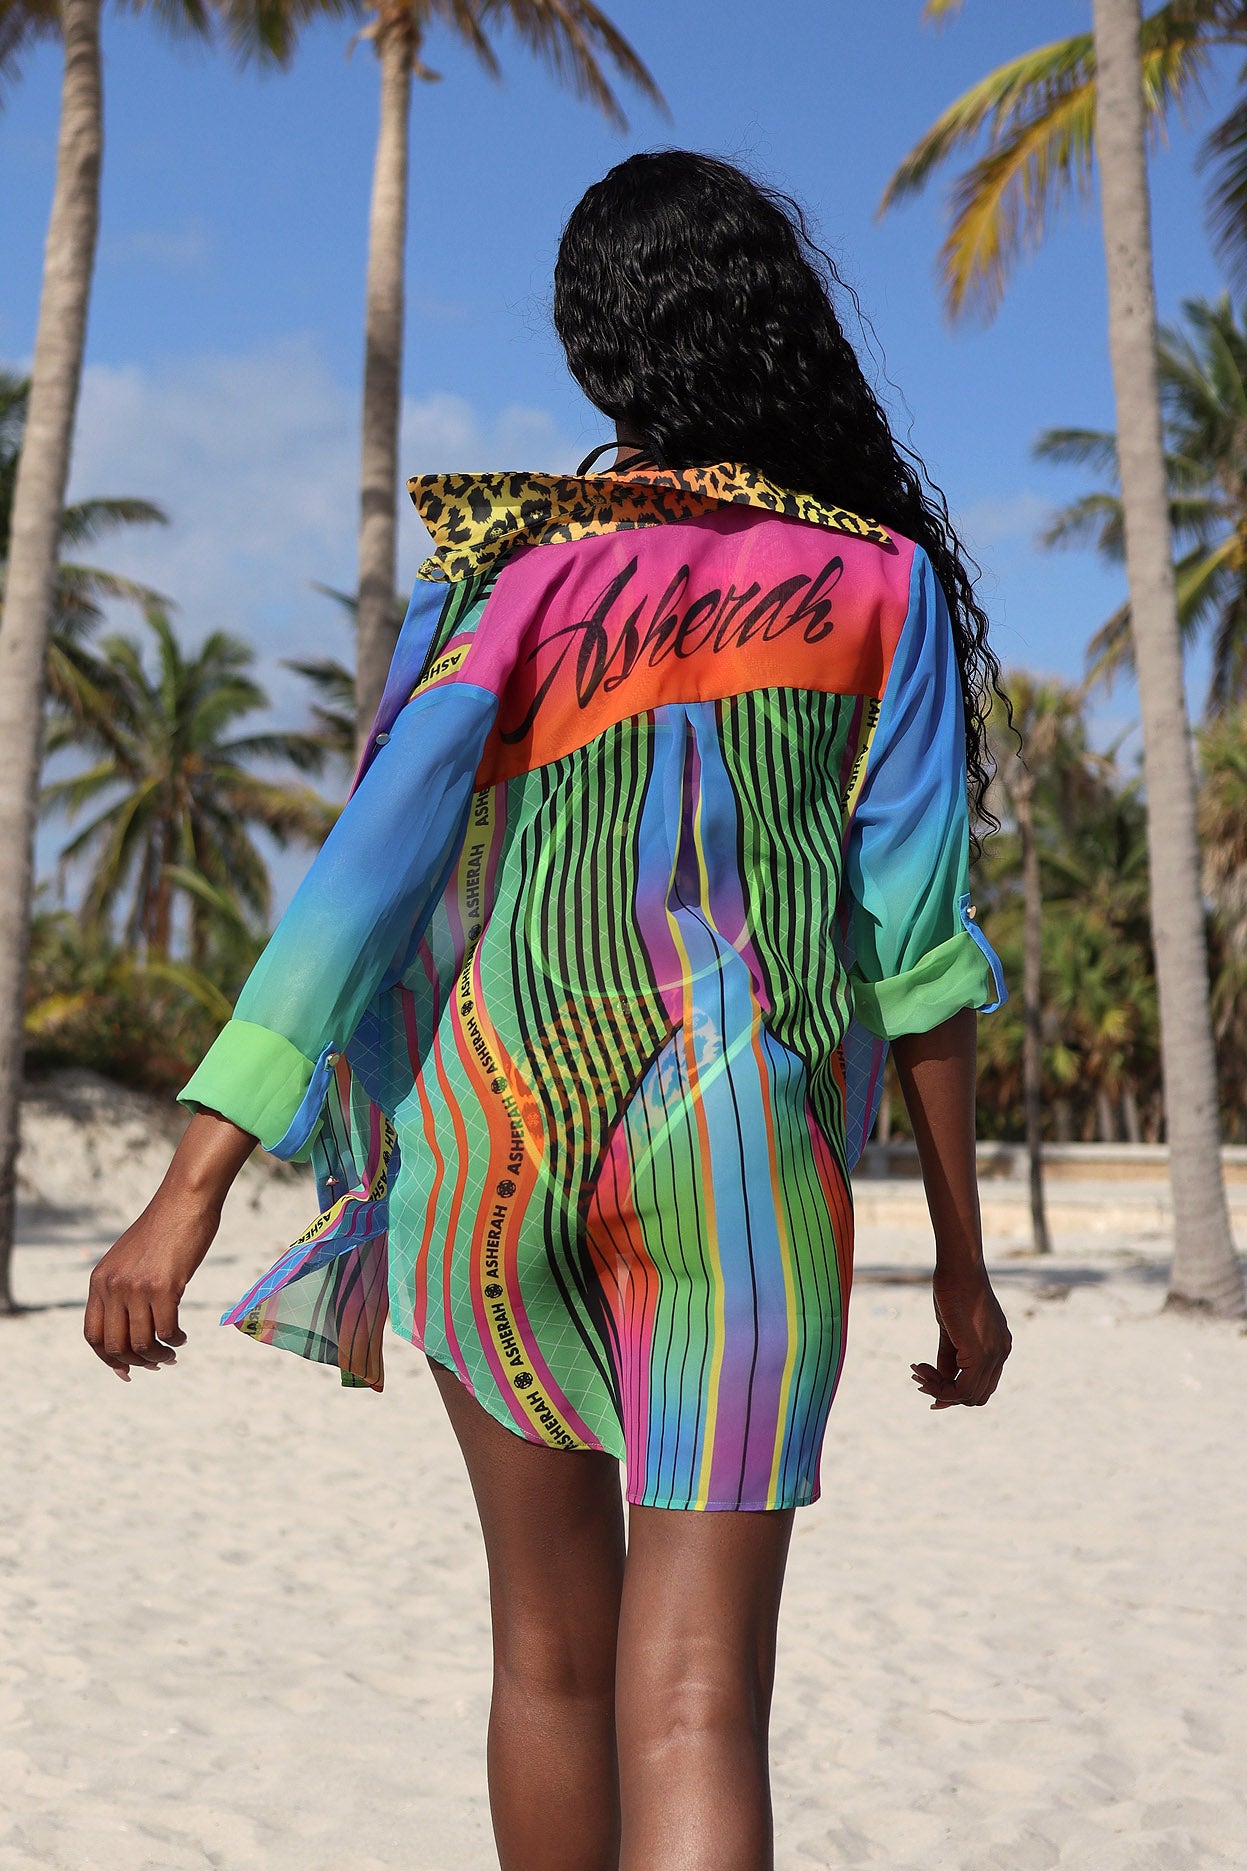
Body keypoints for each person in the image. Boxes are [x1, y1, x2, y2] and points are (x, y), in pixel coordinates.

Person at [84, 150, 1012, 1871]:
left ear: (596, 354)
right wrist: (962, 1256)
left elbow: (365, 880)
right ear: (777, 327)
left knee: (550, 1662)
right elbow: (918, 952)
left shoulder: (501, 573)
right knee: (695, 1701)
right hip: (745, 1167)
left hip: (490, 1149)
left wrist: (191, 1185)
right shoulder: (879, 584)